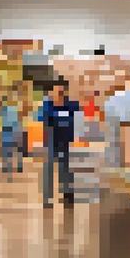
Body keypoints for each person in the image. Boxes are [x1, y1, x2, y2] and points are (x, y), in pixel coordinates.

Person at [40, 80, 82, 208]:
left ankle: (68, 194)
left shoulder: (72, 104)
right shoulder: (47, 104)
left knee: (67, 170)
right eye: (56, 91)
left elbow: (77, 119)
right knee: (49, 169)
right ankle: (47, 198)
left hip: (66, 141)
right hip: (51, 141)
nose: (59, 94)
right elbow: (43, 119)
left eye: (61, 91)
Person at [0, 96, 25, 179]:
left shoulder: (6, 111)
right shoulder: (14, 110)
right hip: (13, 130)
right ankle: (18, 165)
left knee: (8, 150)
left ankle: (8, 167)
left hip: (9, 131)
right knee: (16, 150)